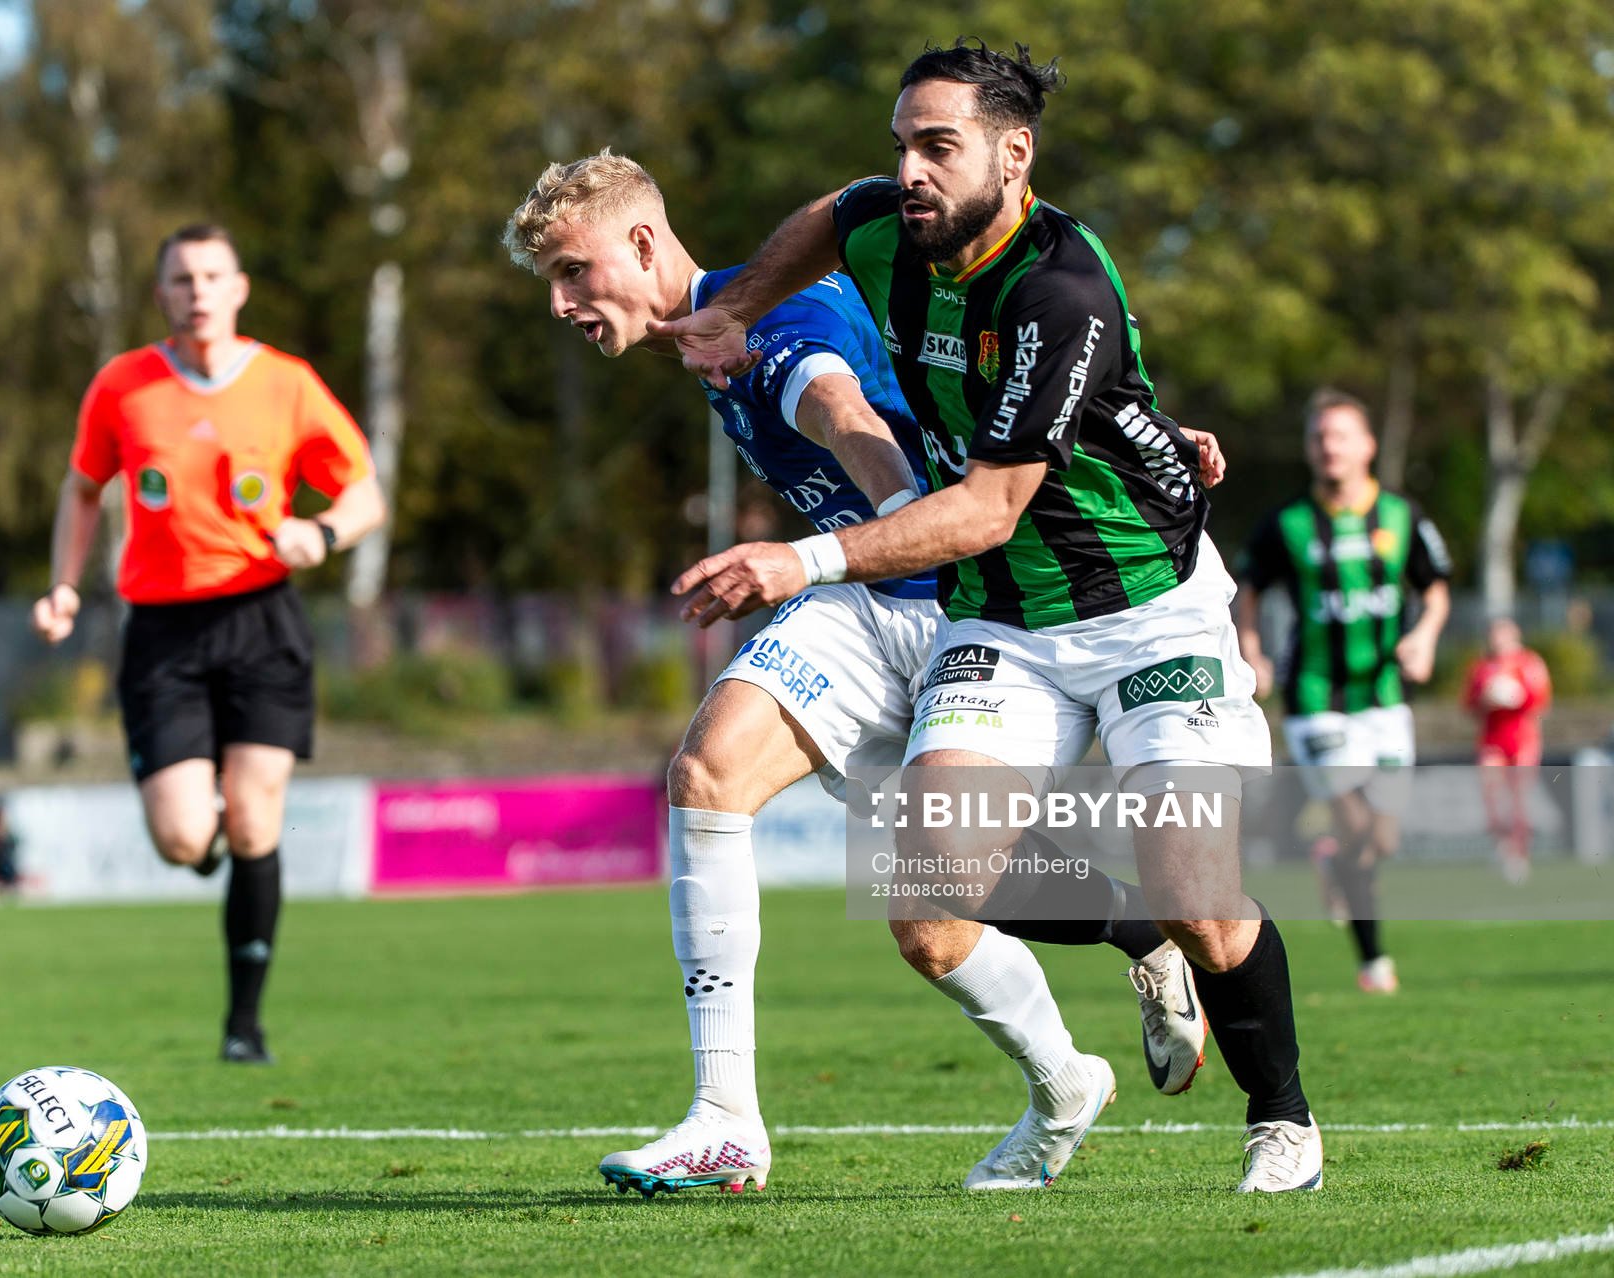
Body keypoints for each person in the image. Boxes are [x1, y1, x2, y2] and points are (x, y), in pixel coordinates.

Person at [654, 40, 1320, 1192]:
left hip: (1146, 608)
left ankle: (1283, 1118)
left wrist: (802, 562)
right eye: (903, 142)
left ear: (1015, 158)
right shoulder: (888, 226)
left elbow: (988, 508)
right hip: (1005, 622)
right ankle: (1135, 943)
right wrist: (741, 305)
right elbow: (832, 211)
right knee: (930, 888)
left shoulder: (1060, 289)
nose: (908, 171)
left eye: (938, 147)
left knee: (1200, 895)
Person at [505, 151, 1219, 1195]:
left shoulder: (778, 321)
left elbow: (845, 415)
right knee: (707, 777)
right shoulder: (718, 325)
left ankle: (1129, 961)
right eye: (553, 285)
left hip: (960, 613)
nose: (565, 303)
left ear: (645, 245)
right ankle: (728, 1121)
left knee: (931, 921)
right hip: (864, 603)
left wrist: (885, 521)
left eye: (575, 272)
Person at [31, 223, 385, 1063]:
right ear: (162, 295)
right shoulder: (123, 386)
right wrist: (64, 586)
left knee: (257, 815)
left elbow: (365, 491)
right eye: (181, 278)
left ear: (239, 287)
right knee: (186, 839)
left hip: (262, 620)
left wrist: (324, 532)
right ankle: (200, 828)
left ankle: (244, 1026)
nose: (197, 290)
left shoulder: (287, 384)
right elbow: (82, 491)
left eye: (211, 275)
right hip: (160, 629)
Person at [1237, 389, 1451, 993]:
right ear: (1310, 450)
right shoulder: (1289, 523)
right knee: (1357, 821)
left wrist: (1425, 637)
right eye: (1319, 437)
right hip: (1315, 697)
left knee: (1380, 838)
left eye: (1340, 435)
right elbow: (1247, 589)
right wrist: (1253, 651)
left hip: (1384, 698)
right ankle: (1373, 962)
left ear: (1367, 446)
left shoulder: (1403, 517)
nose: (1329, 446)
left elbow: (1435, 589)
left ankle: (1332, 863)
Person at [1463, 617, 1551, 883]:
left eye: (1502, 634)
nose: (1497, 639)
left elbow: (1541, 700)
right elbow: (1469, 705)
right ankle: (1502, 846)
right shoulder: (1481, 667)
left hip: (1523, 738)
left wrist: (1517, 698)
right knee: (1491, 795)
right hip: (1492, 740)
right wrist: (1486, 700)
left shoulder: (1529, 663)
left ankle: (1519, 853)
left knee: (1519, 798)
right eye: (1493, 634)